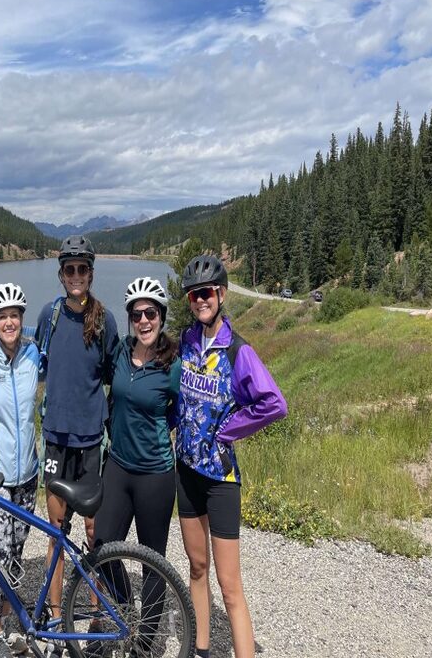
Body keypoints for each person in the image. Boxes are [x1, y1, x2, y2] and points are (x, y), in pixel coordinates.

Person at [174, 255, 287, 658]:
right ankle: (201, 650)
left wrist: (230, 429)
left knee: (230, 585)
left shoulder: (237, 350)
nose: (199, 300)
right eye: (193, 295)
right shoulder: (187, 342)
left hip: (221, 480)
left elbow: (274, 403)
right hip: (185, 472)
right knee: (197, 568)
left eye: (205, 293)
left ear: (221, 294)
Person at [35, 235, 119, 656]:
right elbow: (38, 362)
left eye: (82, 269)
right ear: (61, 274)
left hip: (90, 441)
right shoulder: (49, 315)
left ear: (91, 272)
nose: (76, 276)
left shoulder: (105, 321)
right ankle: (54, 617)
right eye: (69, 269)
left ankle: (96, 614)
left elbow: (111, 373)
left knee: (93, 532)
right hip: (55, 439)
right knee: (55, 532)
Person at [90, 277, 181, 655]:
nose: (144, 320)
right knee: (100, 547)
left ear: (161, 316)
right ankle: (128, 612)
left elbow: (178, 412)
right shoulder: (121, 354)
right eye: (137, 314)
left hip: (156, 475)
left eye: (151, 313)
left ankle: (143, 644)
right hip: (118, 466)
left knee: (153, 562)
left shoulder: (172, 365)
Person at [0, 283, 41, 658]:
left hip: (29, 475)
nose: (9, 322)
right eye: (2, 317)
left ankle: (7, 615)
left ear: (21, 319)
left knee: (16, 552)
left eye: (14, 315)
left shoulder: (33, 354)